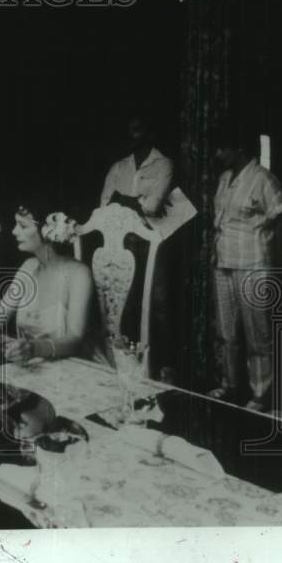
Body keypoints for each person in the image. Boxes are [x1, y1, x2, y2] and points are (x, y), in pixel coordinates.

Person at [209, 123, 282, 412]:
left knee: (258, 334)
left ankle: (261, 394)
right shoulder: (224, 178)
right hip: (223, 262)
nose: (218, 154)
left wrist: (276, 259)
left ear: (240, 147)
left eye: (223, 148)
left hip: (254, 264)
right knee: (226, 332)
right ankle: (230, 384)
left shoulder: (263, 179)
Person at [99, 111, 175, 378]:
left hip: (152, 244)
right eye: (130, 130)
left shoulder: (163, 164)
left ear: (149, 132)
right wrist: (132, 201)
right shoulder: (118, 167)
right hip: (121, 246)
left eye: (138, 129)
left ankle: (161, 367)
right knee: (124, 304)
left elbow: (153, 207)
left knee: (157, 304)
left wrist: (124, 200)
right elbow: (104, 208)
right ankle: (127, 367)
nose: (133, 135)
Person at [0, 202, 110, 365]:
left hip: (74, 368)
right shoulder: (28, 268)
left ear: (48, 231)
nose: (14, 231)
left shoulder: (78, 274)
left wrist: (33, 348)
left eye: (22, 226)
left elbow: (74, 339)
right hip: (34, 367)